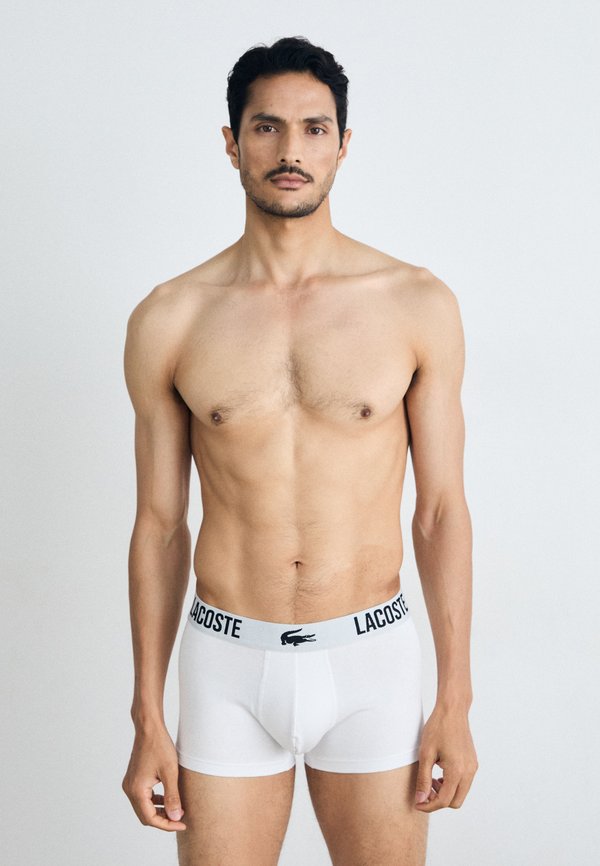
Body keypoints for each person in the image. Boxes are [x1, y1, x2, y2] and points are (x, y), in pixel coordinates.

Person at [121, 35, 478, 866]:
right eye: (267, 127)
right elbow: (160, 526)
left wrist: (455, 697)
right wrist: (147, 714)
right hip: (225, 663)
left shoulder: (415, 303)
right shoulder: (171, 317)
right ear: (232, 142)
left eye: (315, 129)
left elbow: (440, 511)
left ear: (343, 144)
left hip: (372, 661)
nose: (291, 150)